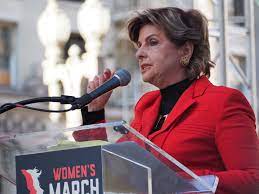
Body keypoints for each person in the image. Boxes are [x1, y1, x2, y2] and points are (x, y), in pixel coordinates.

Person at [73, 7, 259, 194]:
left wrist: (183, 182)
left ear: (185, 50)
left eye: (152, 43)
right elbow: (109, 167)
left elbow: (253, 180)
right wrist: (95, 113)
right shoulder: (146, 106)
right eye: (139, 46)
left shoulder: (224, 102)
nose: (139, 54)